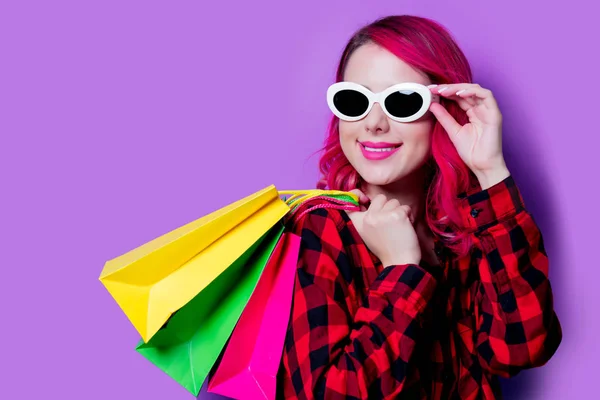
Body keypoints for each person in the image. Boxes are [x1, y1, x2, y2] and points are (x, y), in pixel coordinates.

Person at [276, 14, 562, 400]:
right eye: (354, 100)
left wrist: (490, 171)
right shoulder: (317, 231)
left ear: (444, 109)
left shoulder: (462, 228)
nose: (374, 122)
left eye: (402, 101)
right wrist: (401, 270)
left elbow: (521, 350)